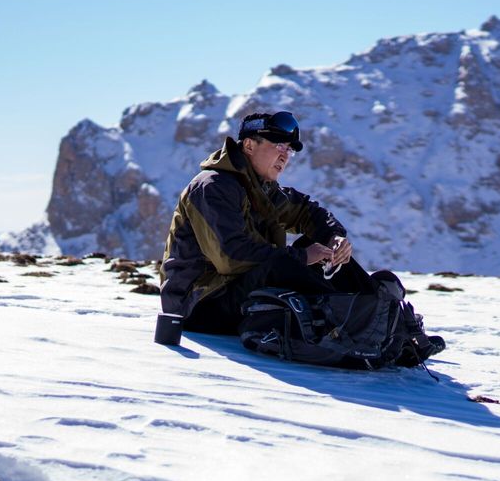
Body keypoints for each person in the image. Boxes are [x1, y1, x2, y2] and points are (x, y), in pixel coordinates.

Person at [159, 111, 378, 334]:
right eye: (279, 145)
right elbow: (231, 257)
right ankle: (351, 323)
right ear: (249, 145)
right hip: (197, 304)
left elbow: (306, 211)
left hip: (231, 290)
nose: (285, 156)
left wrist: (334, 237)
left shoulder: (262, 190)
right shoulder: (213, 187)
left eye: (289, 150)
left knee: (316, 248)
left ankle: (373, 308)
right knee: (284, 264)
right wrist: (302, 257)